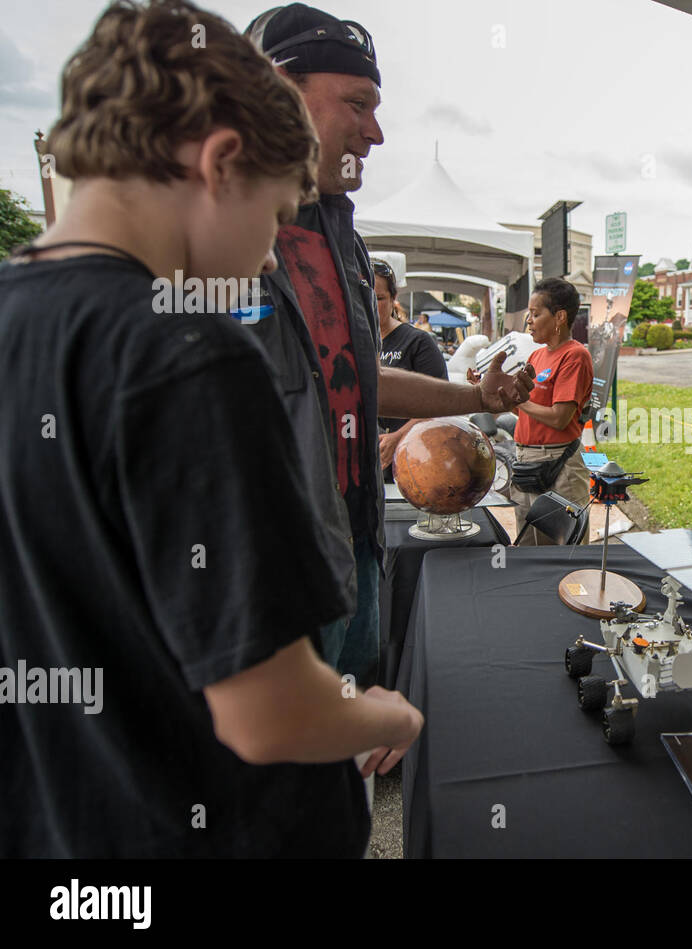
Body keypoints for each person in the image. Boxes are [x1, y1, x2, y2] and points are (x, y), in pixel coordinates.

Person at [0, 0, 423, 857]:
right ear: (221, 163)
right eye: (271, 217)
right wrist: (389, 708)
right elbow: (268, 714)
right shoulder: (190, 350)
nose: (271, 255)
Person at [244, 3, 533, 690]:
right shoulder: (210, 234)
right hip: (274, 576)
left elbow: (357, 377)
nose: (375, 132)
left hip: (360, 544)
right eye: (358, 103)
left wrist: (475, 396)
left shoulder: (343, 236)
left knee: (350, 769)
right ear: (281, 91)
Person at [503, 278, 594, 545]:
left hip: (559, 467)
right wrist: (496, 394)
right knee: (528, 546)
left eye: (535, 313)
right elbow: (527, 412)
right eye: (528, 314)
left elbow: (558, 417)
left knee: (563, 551)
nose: (528, 321)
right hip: (527, 463)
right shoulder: (536, 356)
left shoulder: (575, 356)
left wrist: (519, 401)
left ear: (560, 316)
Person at [373, 258, 446, 479]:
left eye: (379, 298)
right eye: (362, 297)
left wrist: (398, 436)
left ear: (394, 298)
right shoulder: (348, 342)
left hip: (411, 457)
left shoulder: (417, 342)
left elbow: (440, 403)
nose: (371, 306)